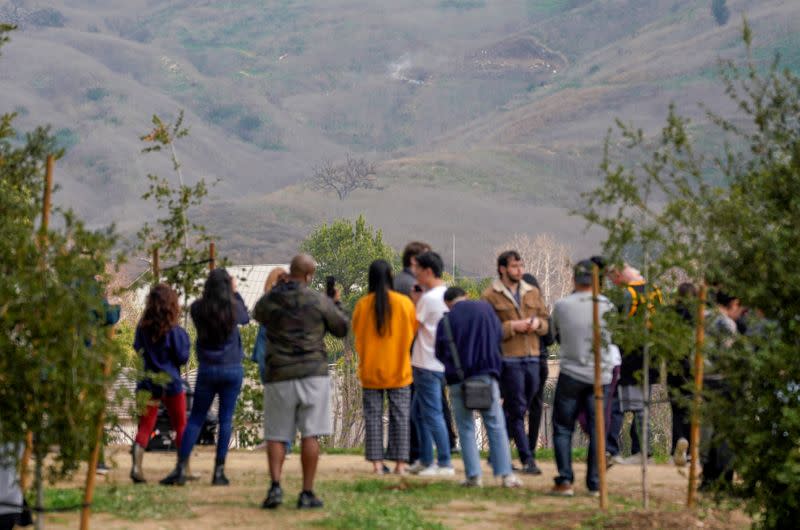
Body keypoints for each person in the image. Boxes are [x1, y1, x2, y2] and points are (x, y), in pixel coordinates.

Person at [254, 254, 349, 509]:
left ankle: (275, 487)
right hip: (312, 374)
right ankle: (307, 492)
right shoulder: (318, 300)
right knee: (311, 434)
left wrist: (278, 289)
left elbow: (257, 312)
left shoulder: (273, 300)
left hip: (280, 373)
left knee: (276, 434)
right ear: (309, 276)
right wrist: (336, 304)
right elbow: (341, 328)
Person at [161, 268, 250, 486]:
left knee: (196, 418)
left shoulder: (197, 308)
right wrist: (235, 292)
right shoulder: (234, 307)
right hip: (231, 368)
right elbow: (246, 318)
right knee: (225, 419)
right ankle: (219, 471)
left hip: (208, 368)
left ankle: (181, 467)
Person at [436, 287, 522, 488]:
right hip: (486, 376)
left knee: (465, 427)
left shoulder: (446, 320)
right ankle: (506, 475)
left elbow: (439, 352)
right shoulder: (486, 310)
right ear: (465, 296)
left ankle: (474, 476)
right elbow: (499, 338)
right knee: (495, 424)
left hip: (458, 381)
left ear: (448, 303)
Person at [549, 260, 616, 496]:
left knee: (562, 427)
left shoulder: (562, 305)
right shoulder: (607, 305)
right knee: (599, 429)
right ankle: (595, 483)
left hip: (571, 373)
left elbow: (553, 334)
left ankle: (565, 479)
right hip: (601, 375)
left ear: (573, 279)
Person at [482, 250, 549, 475]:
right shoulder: (490, 296)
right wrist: (513, 327)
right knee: (518, 409)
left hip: (533, 356)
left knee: (516, 408)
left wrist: (536, 324)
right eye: (514, 266)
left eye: (521, 265)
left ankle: (497, 454)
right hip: (509, 359)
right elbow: (489, 331)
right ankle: (527, 459)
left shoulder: (532, 292)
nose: (519, 270)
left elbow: (547, 323)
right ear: (502, 269)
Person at [352, 260, 417, 475]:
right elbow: (412, 332)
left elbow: (358, 337)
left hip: (371, 370)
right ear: (390, 276)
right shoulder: (404, 303)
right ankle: (400, 465)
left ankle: (377, 465)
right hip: (399, 370)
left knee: (373, 416)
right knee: (400, 416)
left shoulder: (363, 305)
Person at [130, 283, 190, 484]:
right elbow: (182, 357)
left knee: (145, 426)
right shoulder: (174, 331)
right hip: (170, 382)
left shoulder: (142, 328)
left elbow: (138, 348)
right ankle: (183, 467)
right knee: (180, 424)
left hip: (147, 382)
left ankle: (137, 466)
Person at [606, 264, 662, 464]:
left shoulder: (628, 295)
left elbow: (619, 326)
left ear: (619, 275)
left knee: (618, 404)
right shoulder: (655, 291)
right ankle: (642, 450)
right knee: (642, 404)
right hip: (651, 356)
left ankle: (615, 449)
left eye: (614, 280)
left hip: (630, 357)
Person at [408, 251, 454, 476]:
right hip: (438, 363)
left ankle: (444, 462)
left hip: (425, 363)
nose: (414, 275)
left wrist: (416, 302)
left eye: (417, 270)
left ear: (428, 271)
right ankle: (426, 459)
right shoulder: (446, 295)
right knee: (418, 413)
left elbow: (413, 326)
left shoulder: (428, 299)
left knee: (432, 413)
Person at [522, 272, 554, 476]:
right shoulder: (542, 312)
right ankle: (530, 451)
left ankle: (505, 449)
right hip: (539, 363)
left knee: (514, 408)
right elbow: (551, 339)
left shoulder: (513, 311)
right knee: (535, 408)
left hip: (517, 363)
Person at [668, 282, 696, 467]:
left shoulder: (670, 314)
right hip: (693, 366)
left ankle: (678, 443)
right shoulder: (698, 316)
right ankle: (692, 449)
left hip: (674, 365)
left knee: (676, 408)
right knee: (692, 408)